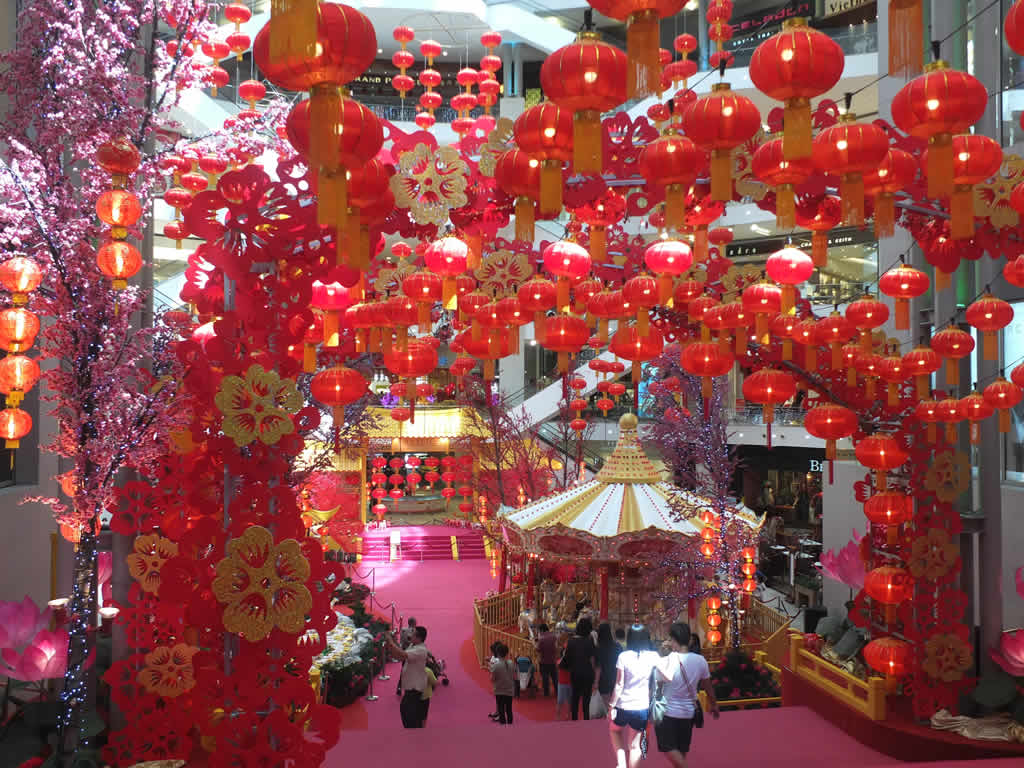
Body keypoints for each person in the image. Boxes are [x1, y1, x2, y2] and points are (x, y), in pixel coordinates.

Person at [654, 623, 720, 768]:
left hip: (668, 713)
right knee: (681, 750)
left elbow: (657, 688)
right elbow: (708, 686)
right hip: (688, 713)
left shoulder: (665, 662)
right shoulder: (700, 661)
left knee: (668, 748)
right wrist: (714, 704)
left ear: (672, 640)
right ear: (689, 639)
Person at [607, 624, 660, 768]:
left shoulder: (623, 656)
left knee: (614, 730)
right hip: (641, 706)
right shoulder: (653, 656)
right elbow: (663, 676)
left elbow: (619, 685)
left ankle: (621, 763)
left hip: (623, 704)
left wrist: (611, 705)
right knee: (635, 746)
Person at [385, 625, 430, 728]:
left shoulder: (421, 650)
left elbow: (402, 655)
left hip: (415, 689)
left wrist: (390, 640)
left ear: (419, 638)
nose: (410, 635)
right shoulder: (413, 646)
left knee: (410, 716)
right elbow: (398, 656)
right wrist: (390, 643)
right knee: (408, 714)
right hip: (410, 688)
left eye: (413, 634)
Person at [564, 616, 598, 720]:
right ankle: (586, 717)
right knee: (586, 697)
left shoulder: (571, 641)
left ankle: (574, 717)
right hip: (587, 672)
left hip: (575, 671)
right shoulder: (589, 641)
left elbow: (567, 657)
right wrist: (594, 673)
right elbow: (592, 659)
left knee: (575, 695)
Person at [596, 622, 622, 712]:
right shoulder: (618, 646)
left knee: (605, 700)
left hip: (603, 677)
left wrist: (595, 682)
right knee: (615, 699)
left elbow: (598, 667)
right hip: (615, 676)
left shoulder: (598, 648)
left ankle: (609, 715)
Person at [489, 642, 515, 725]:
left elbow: (492, 679)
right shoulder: (511, 663)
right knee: (509, 709)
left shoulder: (496, 665)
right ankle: (510, 725)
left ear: (498, 653)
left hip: (499, 690)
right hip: (510, 689)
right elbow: (514, 676)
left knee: (501, 709)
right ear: (507, 653)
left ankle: (503, 726)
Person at [535, 623, 558, 697]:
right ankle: (557, 691)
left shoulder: (541, 639)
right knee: (554, 677)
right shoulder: (554, 637)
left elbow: (538, 649)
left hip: (544, 660)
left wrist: (534, 643)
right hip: (553, 660)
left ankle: (546, 692)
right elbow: (557, 647)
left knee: (545, 677)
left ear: (541, 630)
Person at [396, 617, 417, 695]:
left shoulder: (403, 630)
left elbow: (401, 641)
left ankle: (399, 687)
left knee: (403, 671)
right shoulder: (414, 631)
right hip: (412, 654)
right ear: (413, 623)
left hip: (404, 653)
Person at [555, 634, 572, 720]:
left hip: (563, 681)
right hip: (568, 680)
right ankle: (566, 715)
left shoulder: (560, 660)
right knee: (567, 700)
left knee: (561, 700)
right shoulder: (572, 658)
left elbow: (558, 666)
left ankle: (559, 716)